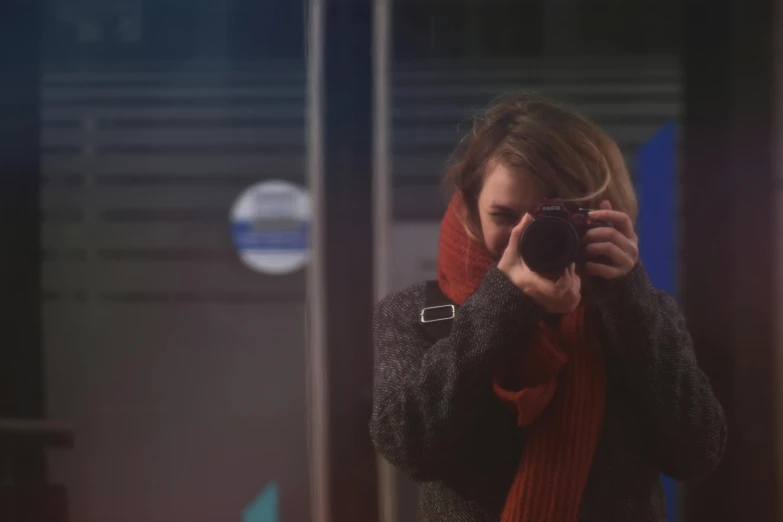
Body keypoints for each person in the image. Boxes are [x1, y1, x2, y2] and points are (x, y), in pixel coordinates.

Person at [369, 92, 726, 522]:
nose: (528, 234)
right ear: (468, 210)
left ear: (600, 211)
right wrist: (502, 303)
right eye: (505, 216)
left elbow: (697, 453)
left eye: (554, 218)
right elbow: (409, 448)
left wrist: (627, 298)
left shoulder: (641, 312)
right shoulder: (418, 312)